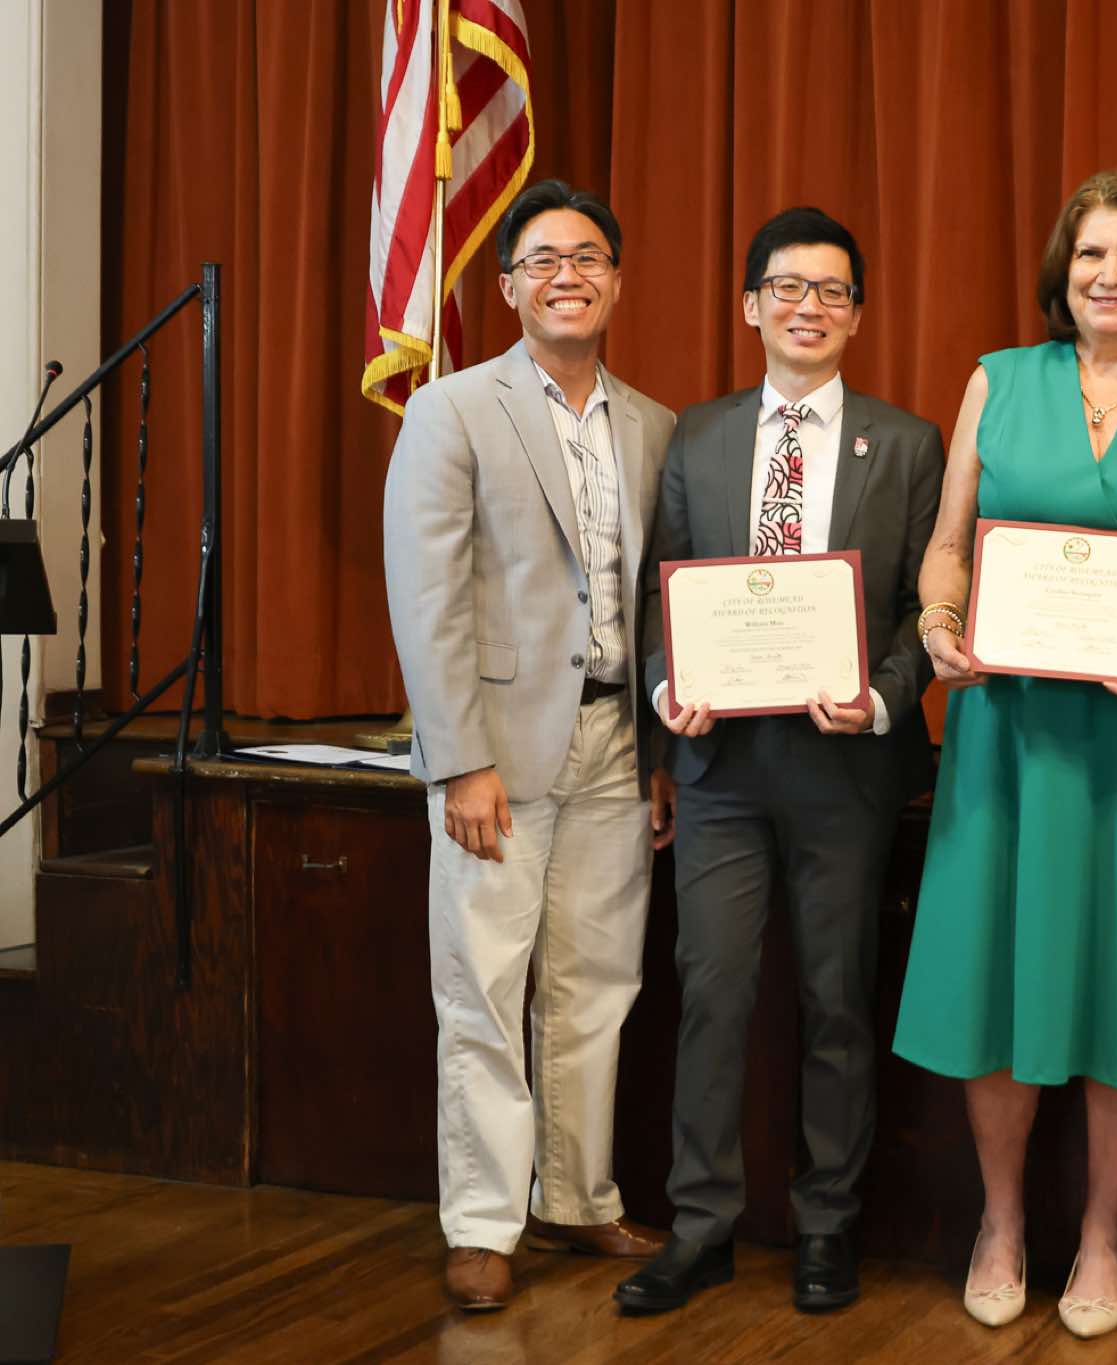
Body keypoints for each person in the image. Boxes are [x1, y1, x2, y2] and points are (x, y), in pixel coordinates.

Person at [891, 169, 1117, 1340]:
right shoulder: (997, 381)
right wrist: (937, 626)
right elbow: (947, 547)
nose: (1109, 275)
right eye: (1091, 254)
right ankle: (1000, 1223)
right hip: (1010, 730)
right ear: (1063, 274)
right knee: (997, 963)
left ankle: (1103, 1231)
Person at [612, 207, 944, 1318]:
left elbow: (924, 606)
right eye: (788, 288)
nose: (809, 307)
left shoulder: (907, 444)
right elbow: (660, 590)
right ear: (751, 304)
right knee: (711, 991)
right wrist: (667, 692)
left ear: (857, 315)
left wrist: (883, 695)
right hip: (721, 770)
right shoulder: (697, 436)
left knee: (835, 997)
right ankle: (700, 1227)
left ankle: (826, 1225)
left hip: (844, 769)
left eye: (832, 291)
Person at [383, 179, 677, 1311]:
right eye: (543, 259)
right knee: (483, 989)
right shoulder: (452, 410)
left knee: (596, 985)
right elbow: (428, 598)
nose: (568, 275)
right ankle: (480, 1222)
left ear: (618, 281)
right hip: (496, 752)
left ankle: (577, 1197)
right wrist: (457, 758)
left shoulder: (652, 423)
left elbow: (657, 601)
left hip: (616, 742)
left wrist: (659, 753)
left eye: (588, 257)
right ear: (508, 286)